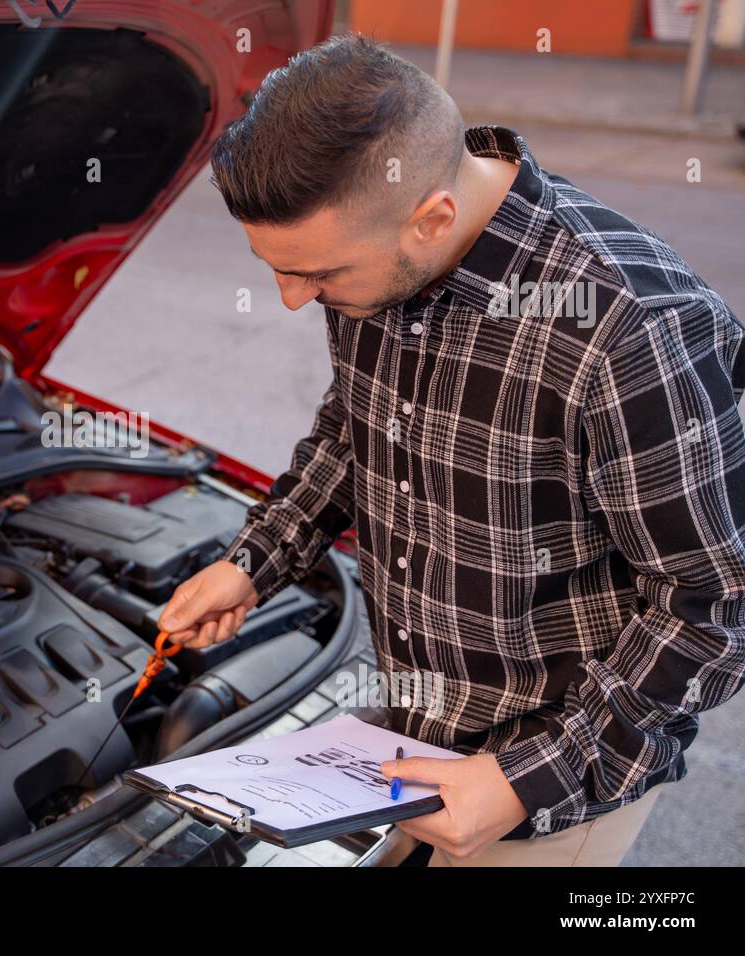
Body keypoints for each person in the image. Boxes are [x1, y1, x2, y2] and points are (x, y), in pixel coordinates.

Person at [157, 34, 745, 866]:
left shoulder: (630, 329)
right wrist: (256, 560)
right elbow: (353, 429)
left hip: (548, 783)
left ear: (431, 217)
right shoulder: (379, 251)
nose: (294, 300)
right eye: (279, 271)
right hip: (404, 734)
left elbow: (715, 603)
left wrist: (525, 780)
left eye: (317, 275)